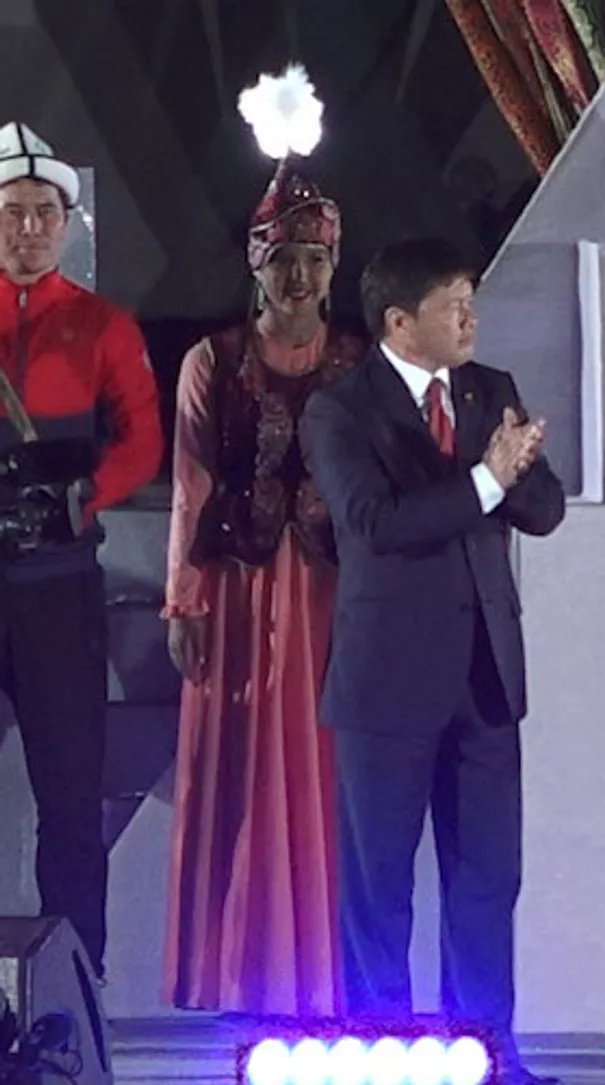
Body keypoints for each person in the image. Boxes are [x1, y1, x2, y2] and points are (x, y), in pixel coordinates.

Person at [301, 237, 564, 1083]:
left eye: (471, 302)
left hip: (485, 680)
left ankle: (487, 1054)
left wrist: (518, 471)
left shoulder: (490, 391)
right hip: (387, 684)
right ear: (399, 322)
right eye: (453, 306)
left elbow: (545, 510)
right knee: (379, 888)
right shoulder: (341, 411)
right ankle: (380, 1056)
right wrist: (485, 480)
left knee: (486, 881)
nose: (470, 319)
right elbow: (376, 523)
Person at [160, 160, 364, 1015]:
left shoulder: (358, 361)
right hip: (238, 590)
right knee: (239, 767)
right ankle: (237, 974)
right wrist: (183, 598)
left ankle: (321, 976)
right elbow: (192, 483)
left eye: (315, 258)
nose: (300, 276)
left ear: (335, 265)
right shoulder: (214, 361)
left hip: (328, 594)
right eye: (284, 257)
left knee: (324, 767)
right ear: (256, 263)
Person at [0, 121, 163, 980]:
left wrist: (81, 495)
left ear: (66, 223)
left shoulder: (104, 326)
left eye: (43, 212)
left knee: (69, 797)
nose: (28, 228)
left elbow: (144, 440)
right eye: (12, 211)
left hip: (58, 589)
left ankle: (77, 987)